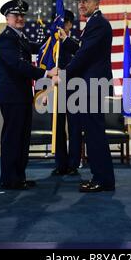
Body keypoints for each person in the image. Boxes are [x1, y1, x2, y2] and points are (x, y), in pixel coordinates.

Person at [56, 0, 115, 192]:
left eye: (86, 1)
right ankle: (101, 177)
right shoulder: (92, 24)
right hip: (89, 86)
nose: (81, 5)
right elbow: (83, 48)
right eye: (79, 1)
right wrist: (67, 40)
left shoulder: (98, 24)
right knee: (92, 134)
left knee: (95, 135)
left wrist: (62, 76)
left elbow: (84, 56)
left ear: (96, 2)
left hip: (93, 87)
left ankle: (103, 179)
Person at [0, 0, 57, 190]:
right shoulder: (5, 39)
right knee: (13, 138)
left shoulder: (19, 37)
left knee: (22, 138)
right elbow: (18, 65)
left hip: (21, 96)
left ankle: (19, 177)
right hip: (11, 96)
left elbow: (37, 47)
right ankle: (9, 179)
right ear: (7, 18)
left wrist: (53, 36)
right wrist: (46, 73)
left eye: (22, 15)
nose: (20, 18)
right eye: (16, 15)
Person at [51, 9, 83, 176]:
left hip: (74, 90)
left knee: (74, 128)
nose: (60, 27)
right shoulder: (51, 44)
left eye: (63, 23)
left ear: (70, 24)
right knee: (58, 127)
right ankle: (60, 163)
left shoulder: (76, 43)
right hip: (57, 89)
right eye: (57, 23)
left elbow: (80, 61)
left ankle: (73, 164)